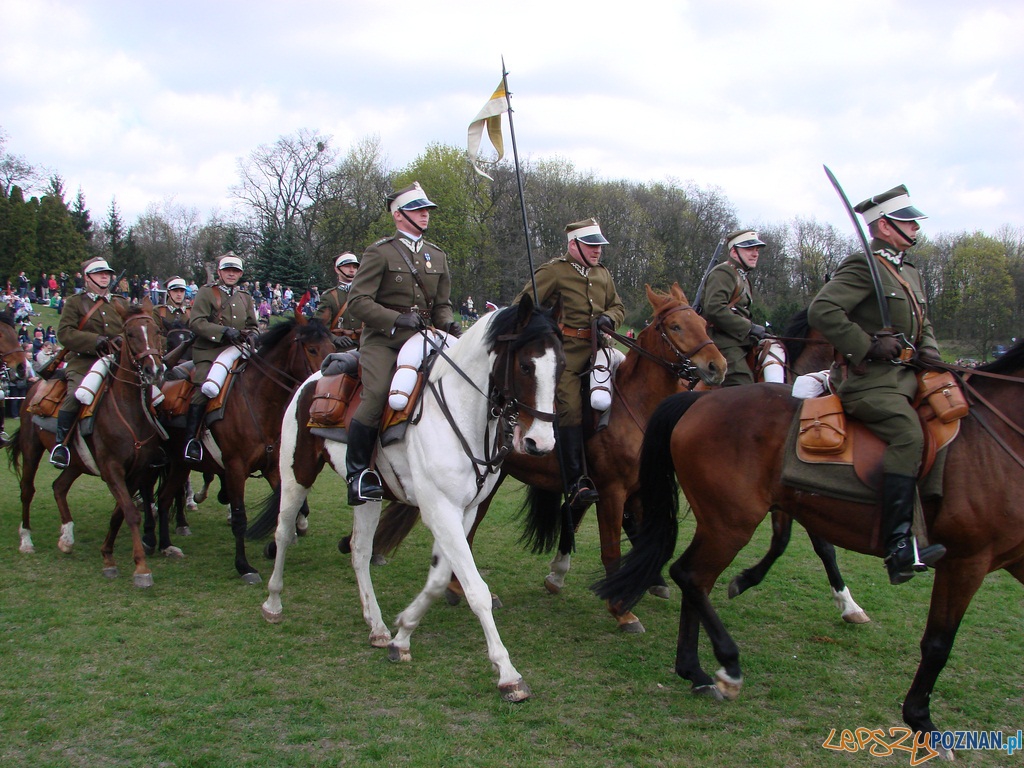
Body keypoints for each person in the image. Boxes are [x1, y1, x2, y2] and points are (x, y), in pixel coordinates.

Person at [807, 183, 946, 585]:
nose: (916, 228)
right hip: (871, 383)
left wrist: (933, 356)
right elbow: (823, 309)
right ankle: (899, 543)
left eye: (915, 222)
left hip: (910, 375)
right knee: (907, 434)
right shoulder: (862, 265)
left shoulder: (908, 271)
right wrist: (866, 345)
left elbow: (925, 323)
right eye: (907, 222)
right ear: (884, 226)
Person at [346, 181, 459, 505]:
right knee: (379, 393)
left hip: (426, 337)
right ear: (398, 216)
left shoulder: (436, 255)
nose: (425, 215)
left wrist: (449, 323)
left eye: (427, 210)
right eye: (417, 210)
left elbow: (441, 303)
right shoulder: (379, 252)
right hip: (384, 341)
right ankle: (358, 475)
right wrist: (394, 319)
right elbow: (358, 301)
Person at [517, 217, 625, 513]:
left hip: (601, 349)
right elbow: (523, 306)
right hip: (564, 352)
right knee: (569, 406)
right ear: (573, 244)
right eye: (590, 245)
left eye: (599, 245)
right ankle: (577, 480)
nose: (597, 251)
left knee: (629, 389)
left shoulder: (602, 274)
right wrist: (546, 330)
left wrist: (609, 319)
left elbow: (618, 305)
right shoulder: (554, 272)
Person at [51, 257, 127, 468]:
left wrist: (123, 339)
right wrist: (95, 340)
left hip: (117, 362)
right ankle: (62, 445)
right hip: (85, 362)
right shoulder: (76, 302)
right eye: (99, 273)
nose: (105, 276)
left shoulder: (120, 302)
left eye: (107, 273)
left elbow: (131, 327)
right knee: (77, 395)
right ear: (87, 278)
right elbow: (65, 333)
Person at [184, 253, 259, 462]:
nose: (231, 274)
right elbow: (196, 322)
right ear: (219, 272)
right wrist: (223, 331)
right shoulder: (207, 293)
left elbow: (253, 325)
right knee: (204, 387)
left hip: (239, 351)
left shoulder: (245, 297)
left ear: (241, 274)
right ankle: (192, 440)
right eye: (227, 270)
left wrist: (253, 334)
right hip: (210, 351)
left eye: (235, 271)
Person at [701, 229, 768, 387]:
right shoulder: (724, 272)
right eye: (749, 249)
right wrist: (749, 327)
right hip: (723, 342)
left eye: (756, 250)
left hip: (739, 340)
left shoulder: (741, 275)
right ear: (734, 251)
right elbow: (714, 308)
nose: (755, 254)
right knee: (743, 385)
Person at [316, 252, 363, 349]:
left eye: (354, 267)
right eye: (347, 266)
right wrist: (334, 339)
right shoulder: (329, 297)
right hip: (339, 349)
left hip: (365, 347)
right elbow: (319, 326)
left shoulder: (366, 293)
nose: (352, 270)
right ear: (337, 269)